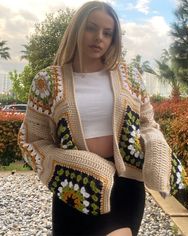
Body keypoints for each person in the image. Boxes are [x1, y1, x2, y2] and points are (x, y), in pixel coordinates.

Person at [18, 1, 172, 235]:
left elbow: (147, 123)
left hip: (125, 184)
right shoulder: (47, 81)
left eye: (107, 33)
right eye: (91, 28)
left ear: (113, 38)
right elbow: (33, 140)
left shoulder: (129, 75)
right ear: (77, 29)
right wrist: (68, 163)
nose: (98, 37)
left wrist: (156, 145)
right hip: (73, 185)